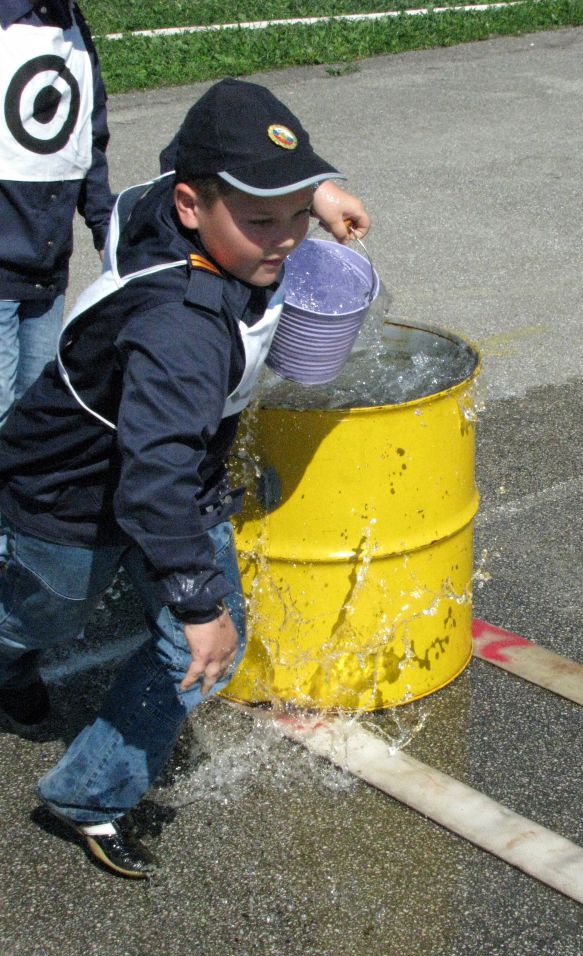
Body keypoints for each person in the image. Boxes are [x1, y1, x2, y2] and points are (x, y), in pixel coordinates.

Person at [0, 77, 370, 879]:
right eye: (262, 220)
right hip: (71, 494)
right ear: (192, 209)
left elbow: (174, 176)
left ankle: (89, 794)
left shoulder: (169, 211)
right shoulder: (181, 328)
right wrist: (196, 604)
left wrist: (313, 194)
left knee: (205, 648)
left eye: (296, 214)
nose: (285, 240)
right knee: (45, 615)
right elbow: (151, 480)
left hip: (167, 475)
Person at [0, 0, 114, 427]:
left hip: (46, 266)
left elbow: (88, 134)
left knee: (34, 420)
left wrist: (106, 227)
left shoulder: (72, 25)